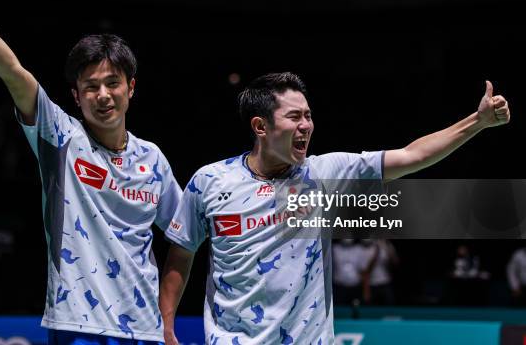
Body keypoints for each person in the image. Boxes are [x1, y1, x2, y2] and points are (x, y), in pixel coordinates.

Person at [159, 72, 510, 344]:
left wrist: (476, 123)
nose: (305, 126)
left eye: (308, 116)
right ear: (260, 126)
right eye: (294, 116)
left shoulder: (325, 174)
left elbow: (412, 155)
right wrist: (167, 323)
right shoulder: (210, 181)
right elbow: (182, 253)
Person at [0, 0, 181, 344]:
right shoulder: (61, 137)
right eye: (91, 86)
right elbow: (12, 73)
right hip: (77, 327)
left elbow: (184, 239)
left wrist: (167, 318)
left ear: (131, 88)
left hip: (145, 330)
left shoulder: (153, 159)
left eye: (112, 83)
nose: (103, 95)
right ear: (76, 96)